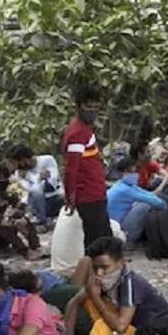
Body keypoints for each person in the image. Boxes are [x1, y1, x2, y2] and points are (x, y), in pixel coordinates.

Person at [67, 237, 168, 335]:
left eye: (104, 267)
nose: (99, 273)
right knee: (88, 302)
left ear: (120, 263)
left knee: (102, 326)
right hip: (130, 330)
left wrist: (95, 297)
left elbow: (120, 326)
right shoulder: (100, 279)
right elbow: (73, 303)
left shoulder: (131, 283)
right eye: (95, 268)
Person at [62, 85, 111, 249]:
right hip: (89, 195)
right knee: (98, 242)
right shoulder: (78, 133)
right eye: (88, 107)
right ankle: (94, 273)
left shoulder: (84, 130)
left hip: (95, 192)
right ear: (78, 106)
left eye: (96, 107)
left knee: (100, 239)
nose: (93, 111)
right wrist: (70, 196)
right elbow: (71, 168)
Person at [106, 157, 167, 244]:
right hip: (119, 231)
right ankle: (131, 241)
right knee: (144, 205)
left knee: (143, 202)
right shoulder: (123, 189)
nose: (134, 174)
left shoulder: (127, 185)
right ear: (121, 173)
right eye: (130, 172)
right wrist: (166, 206)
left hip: (119, 224)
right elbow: (153, 201)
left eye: (135, 171)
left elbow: (148, 194)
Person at [7, 145, 62, 227]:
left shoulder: (47, 160)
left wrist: (31, 177)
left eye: (15, 163)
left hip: (55, 198)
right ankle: (42, 221)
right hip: (37, 205)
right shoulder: (19, 173)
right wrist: (38, 177)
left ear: (23, 160)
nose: (15, 167)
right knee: (36, 191)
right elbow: (31, 190)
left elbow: (51, 184)